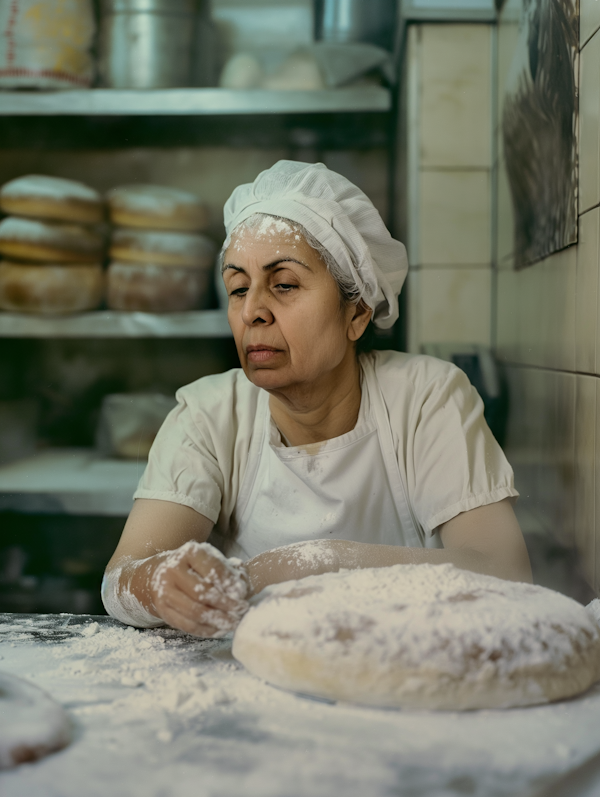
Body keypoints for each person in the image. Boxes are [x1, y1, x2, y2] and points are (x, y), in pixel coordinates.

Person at [102, 161, 532, 638]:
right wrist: (161, 584)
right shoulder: (210, 413)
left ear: (358, 313)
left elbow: (504, 573)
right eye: (238, 288)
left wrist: (308, 564)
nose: (251, 312)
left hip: (400, 674)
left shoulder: (426, 398)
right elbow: (123, 576)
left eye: (283, 284)